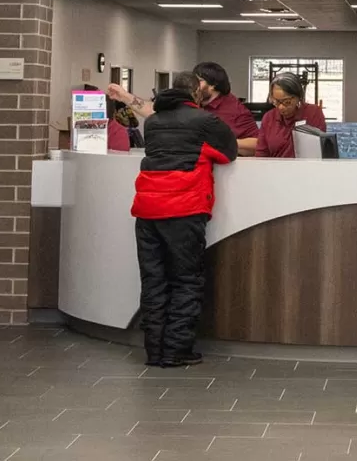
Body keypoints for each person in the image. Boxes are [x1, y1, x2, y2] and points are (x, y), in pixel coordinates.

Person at [130, 72, 239, 367]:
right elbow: (229, 153)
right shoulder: (205, 122)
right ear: (196, 94)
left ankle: (154, 350)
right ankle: (176, 349)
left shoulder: (152, 122)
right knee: (186, 280)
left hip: (147, 209)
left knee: (153, 281)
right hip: (184, 209)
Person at [256, 74, 328, 158]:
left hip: (305, 167)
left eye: (287, 102)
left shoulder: (313, 113)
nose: (281, 107)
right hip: (275, 168)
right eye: (276, 102)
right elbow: (261, 154)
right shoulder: (269, 118)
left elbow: (318, 150)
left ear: (298, 97)